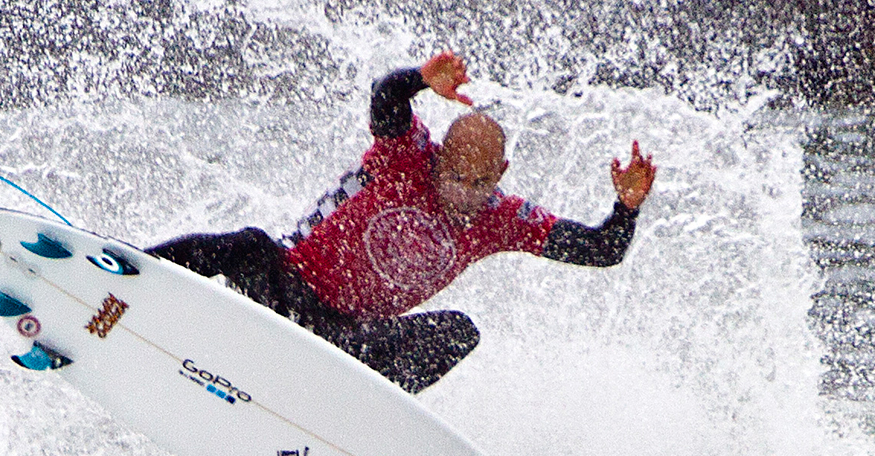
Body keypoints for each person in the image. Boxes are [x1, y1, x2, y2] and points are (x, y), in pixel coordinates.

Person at [146, 51, 657, 394]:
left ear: (499, 175)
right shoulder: (407, 156)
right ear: (439, 161)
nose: (463, 193)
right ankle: (130, 273)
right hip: (287, 289)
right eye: (454, 176)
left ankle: (358, 415)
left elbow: (601, 249)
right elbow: (386, 98)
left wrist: (626, 208)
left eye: (479, 184)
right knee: (248, 245)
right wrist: (420, 80)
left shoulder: (501, 219)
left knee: (458, 332)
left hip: (346, 340)